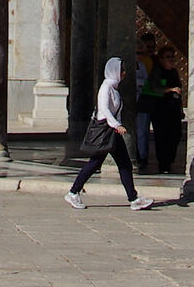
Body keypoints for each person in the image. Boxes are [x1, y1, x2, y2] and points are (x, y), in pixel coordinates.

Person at [65, 57, 154, 211]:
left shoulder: (113, 88)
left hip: (111, 133)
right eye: (121, 70)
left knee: (124, 164)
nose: (124, 73)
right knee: (95, 163)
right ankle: (73, 192)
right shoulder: (106, 87)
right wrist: (117, 125)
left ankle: (133, 198)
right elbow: (104, 110)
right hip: (105, 132)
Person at [144, 53, 184, 174]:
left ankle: (169, 160)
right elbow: (155, 88)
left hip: (174, 110)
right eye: (167, 57)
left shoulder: (174, 72)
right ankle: (163, 163)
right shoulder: (157, 72)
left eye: (172, 57)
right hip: (160, 110)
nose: (171, 60)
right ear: (161, 59)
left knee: (176, 136)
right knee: (162, 137)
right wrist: (170, 90)